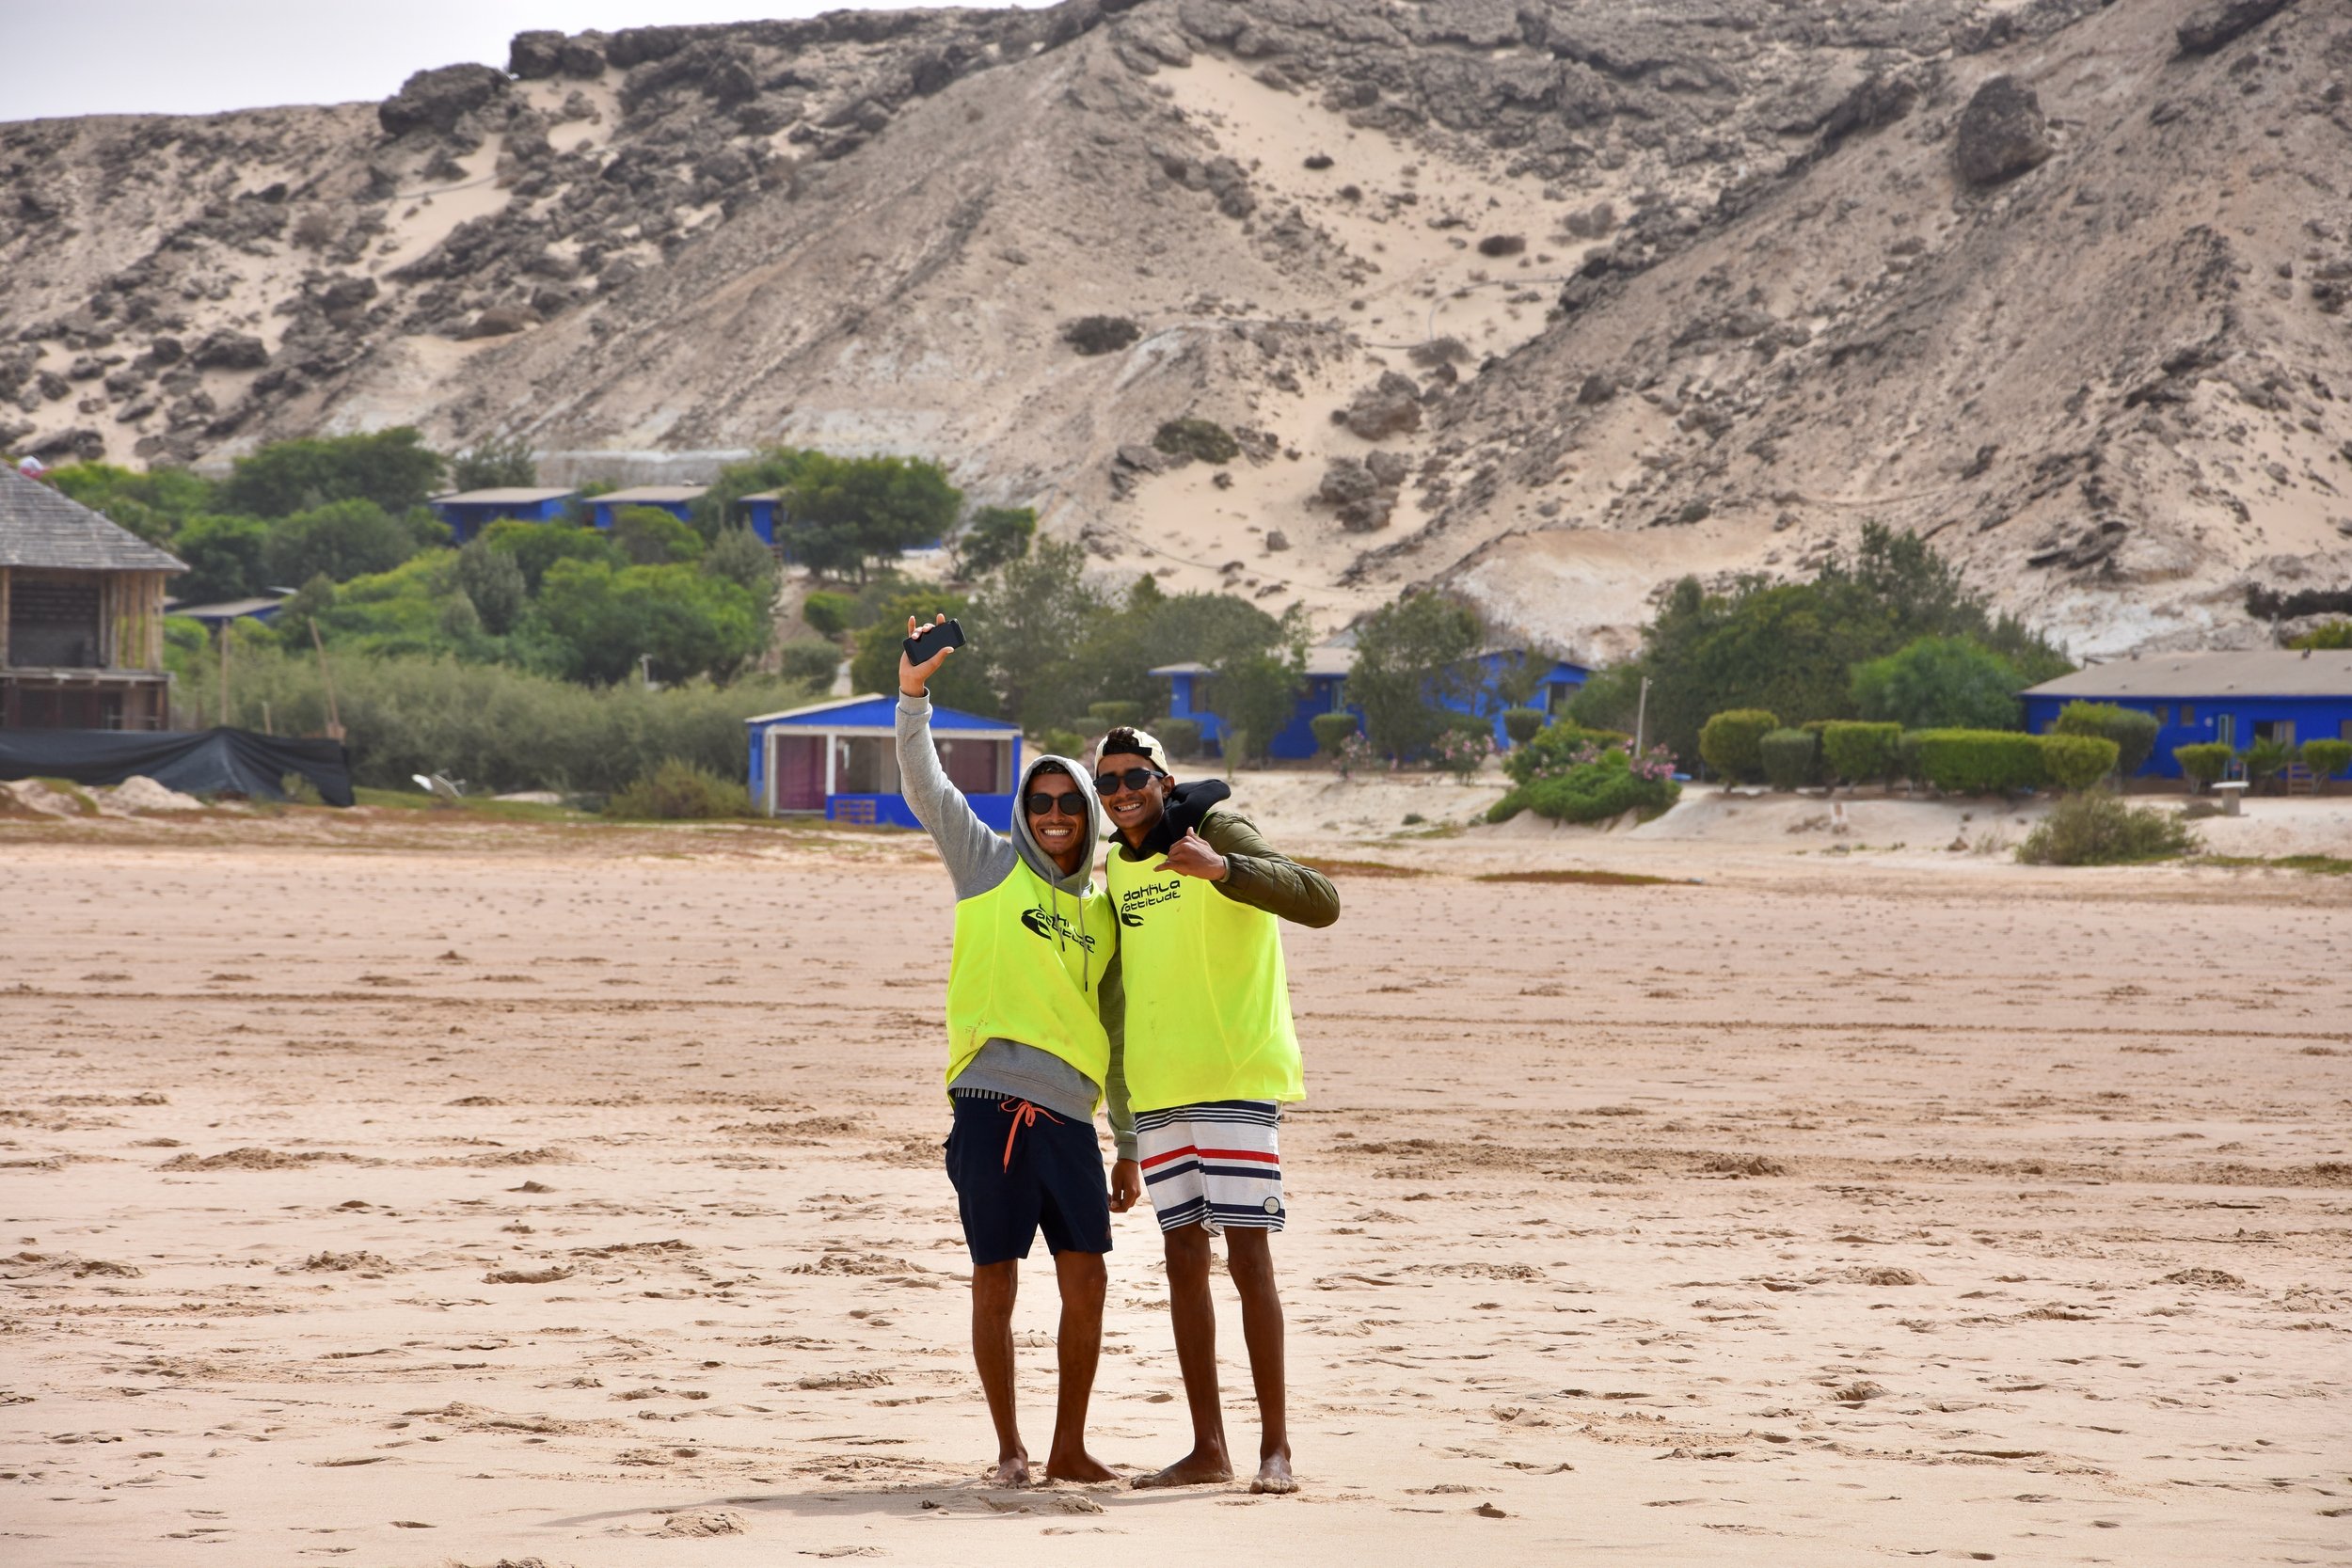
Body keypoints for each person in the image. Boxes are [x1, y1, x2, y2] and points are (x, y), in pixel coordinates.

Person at [895, 616, 1141, 1486]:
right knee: (993, 1278)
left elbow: (1114, 1040)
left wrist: (1129, 1143)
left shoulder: (1106, 914)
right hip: (990, 1108)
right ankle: (1008, 1449)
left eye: (1070, 803)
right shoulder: (988, 866)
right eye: (1041, 804)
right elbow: (928, 789)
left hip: (1072, 1120)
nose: (1056, 816)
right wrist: (913, 693)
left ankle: (1069, 1446)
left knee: (1088, 1283)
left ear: (1088, 814)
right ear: (1024, 814)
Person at [1094, 725, 1339, 1495]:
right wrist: (1125, 1130)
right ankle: (1207, 1447)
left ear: (1165, 778)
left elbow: (1321, 901)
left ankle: (1277, 1449)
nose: (1123, 791)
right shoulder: (1118, 867)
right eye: (1109, 782)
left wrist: (1222, 867)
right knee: (1182, 1263)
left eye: (1136, 775)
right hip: (1161, 1088)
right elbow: (1124, 1002)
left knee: (1249, 1258)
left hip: (1235, 1076)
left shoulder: (1216, 828)